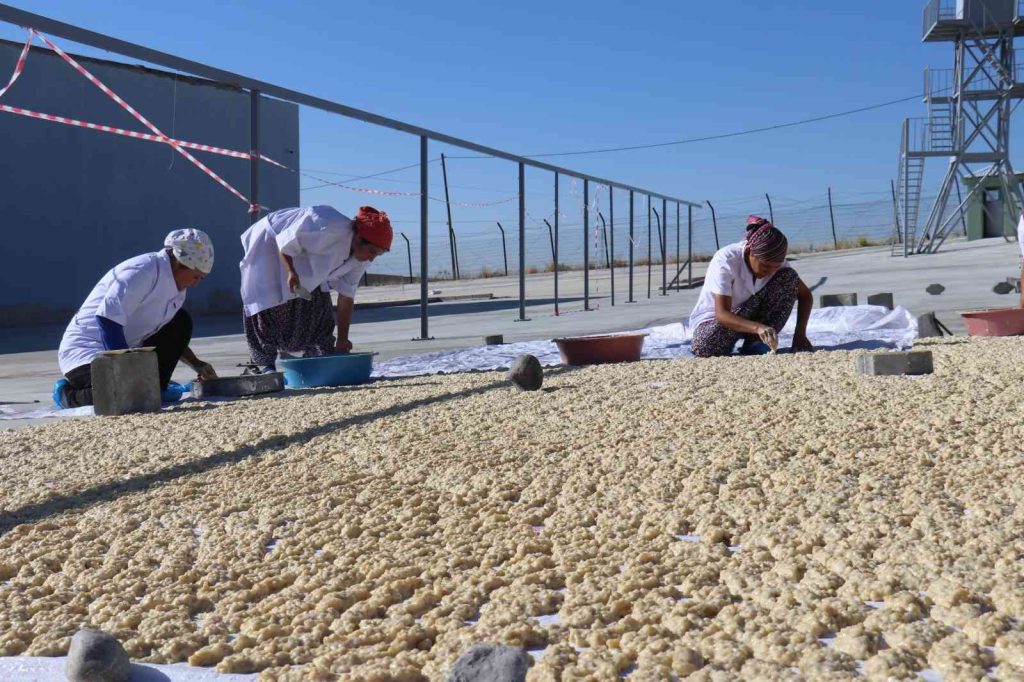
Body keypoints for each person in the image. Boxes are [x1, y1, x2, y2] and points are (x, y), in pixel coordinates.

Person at [54, 229, 218, 408]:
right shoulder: (141, 272)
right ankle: (68, 395)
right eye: (195, 276)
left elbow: (168, 333)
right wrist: (126, 371)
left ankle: (158, 387)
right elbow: (108, 319)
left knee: (180, 321)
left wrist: (197, 364)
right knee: (127, 395)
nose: (196, 284)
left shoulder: (177, 290)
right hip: (85, 354)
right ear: (179, 264)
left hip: (124, 352)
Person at [239, 205, 392, 373]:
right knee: (269, 301)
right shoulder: (325, 224)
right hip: (270, 241)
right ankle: (265, 365)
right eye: (371, 251)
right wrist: (291, 272)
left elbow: (346, 296)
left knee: (319, 311)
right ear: (358, 238)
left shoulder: (362, 259)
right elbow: (285, 242)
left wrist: (343, 339)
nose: (372, 257)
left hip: (305, 258)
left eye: (377, 254)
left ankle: (317, 359)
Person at [688, 215, 814, 357]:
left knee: (789, 277)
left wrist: (800, 335)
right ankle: (754, 335)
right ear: (749, 252)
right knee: (705, 348)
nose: (770, 271)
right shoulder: (726, 260)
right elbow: (722, 314)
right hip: (718, 321)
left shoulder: (778, 266)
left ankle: (754, 343)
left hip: (754, 316)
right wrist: (758, 327)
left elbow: (805, 295)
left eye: (775, 267)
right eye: (765, 266)